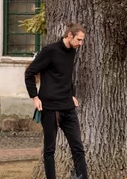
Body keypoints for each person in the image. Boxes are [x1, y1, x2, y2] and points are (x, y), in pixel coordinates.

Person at [25, 22, 88, 179]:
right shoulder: (50, 51)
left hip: (67, 106)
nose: (81, 44)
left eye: (82, 40)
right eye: (79, 40)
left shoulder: (72, 51)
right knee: (49, 150)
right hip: (50, 108)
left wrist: (71, 94)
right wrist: (34, 96)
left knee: (78, 148)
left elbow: (66, 75)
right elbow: (30, 73)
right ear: (69, 35)